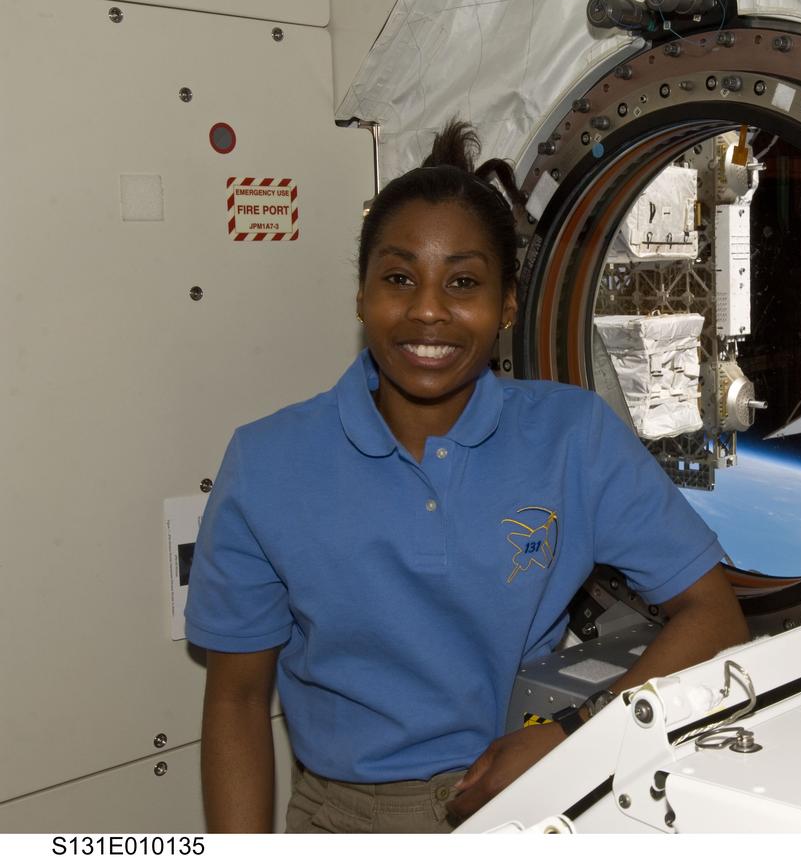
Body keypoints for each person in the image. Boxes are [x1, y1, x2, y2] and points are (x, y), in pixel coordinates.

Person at [185, 120, 750, 833]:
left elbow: (714, 615)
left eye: (463, 282)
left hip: (540, 792)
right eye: (398, 278)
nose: (427, 309)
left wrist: (577, 733)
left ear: (508, 305)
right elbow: (235, 700)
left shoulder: (571, 436)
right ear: (361, 297)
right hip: (349, 817)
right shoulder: (267, 462)